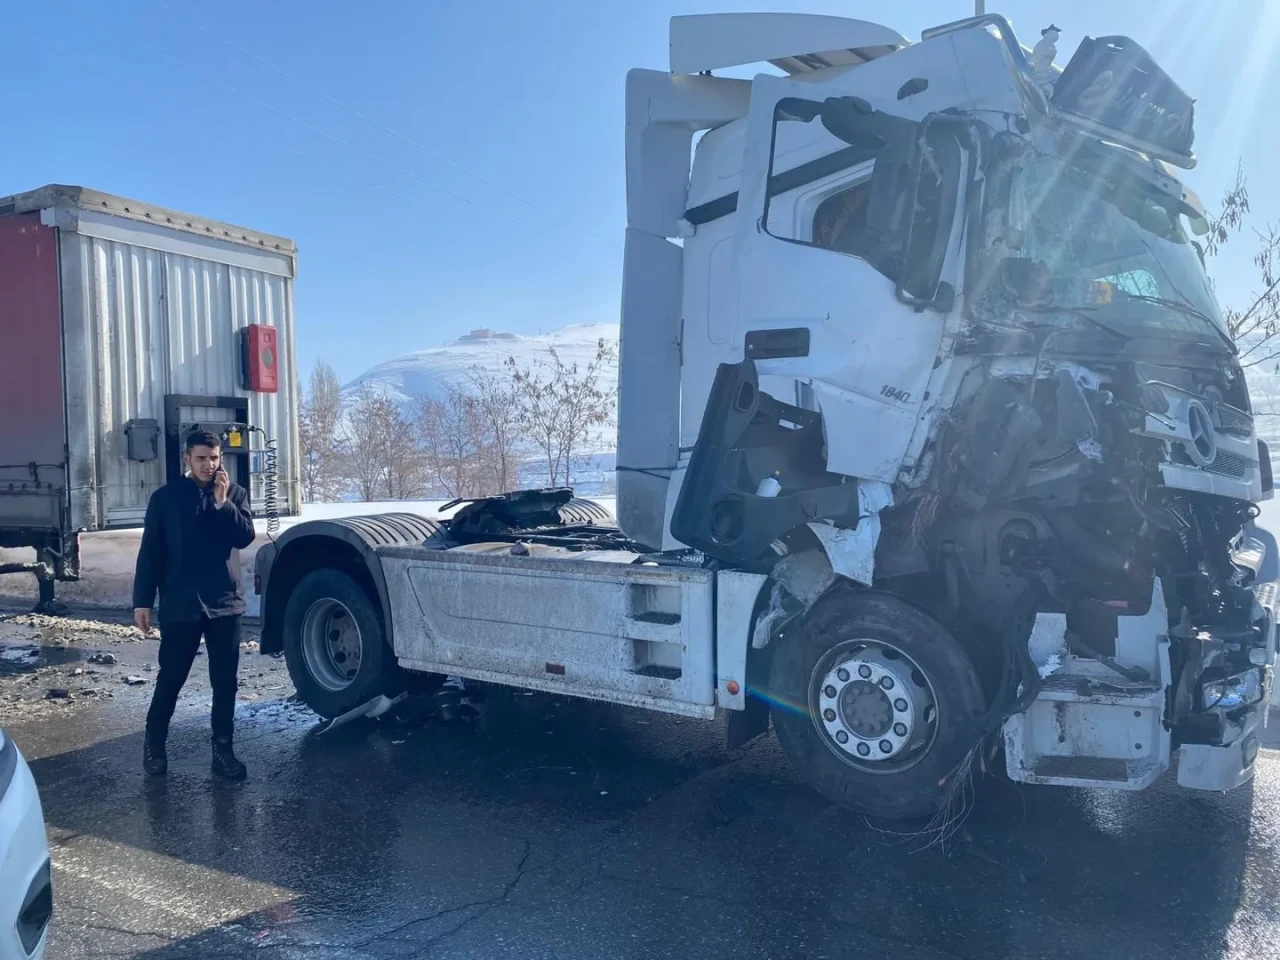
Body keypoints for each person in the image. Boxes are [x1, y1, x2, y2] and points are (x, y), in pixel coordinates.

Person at [132, 430, 256, 780]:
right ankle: (154, 746)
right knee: (171, 678)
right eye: (201, 458)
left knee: (225, 682)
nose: (209, 465)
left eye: (214, 458)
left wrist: (222, 503)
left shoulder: (234, 494)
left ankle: (223, 752)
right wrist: (143, 600)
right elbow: (151, 552)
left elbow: (244, 536)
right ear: (187, 458)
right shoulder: (166, 498)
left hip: (224, 603)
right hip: (181, 603)